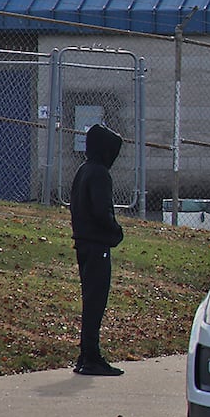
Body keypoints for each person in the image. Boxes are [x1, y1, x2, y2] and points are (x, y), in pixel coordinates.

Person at [70, 123, 125, 377]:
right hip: (97, 246)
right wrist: (116, 231)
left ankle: (86, 355)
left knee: (89, 301)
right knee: (95, 302)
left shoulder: (84, 170)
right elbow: (102, 212)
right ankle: (91, 356)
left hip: (83, 243)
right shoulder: (100, 174)